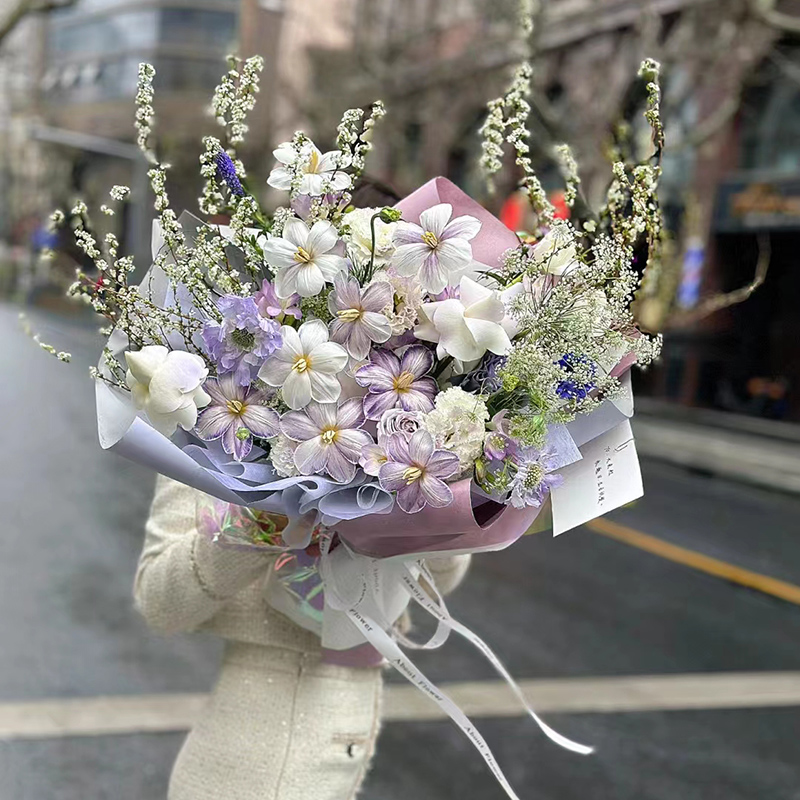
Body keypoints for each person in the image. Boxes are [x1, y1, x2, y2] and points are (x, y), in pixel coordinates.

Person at [135, 474, 472, 800]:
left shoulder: (412, 425)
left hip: (345, 731)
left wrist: (438, 505)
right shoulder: (204, 423)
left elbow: (437, 583)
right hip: (252, 758)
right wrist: (261, 520)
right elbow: (159, 602)